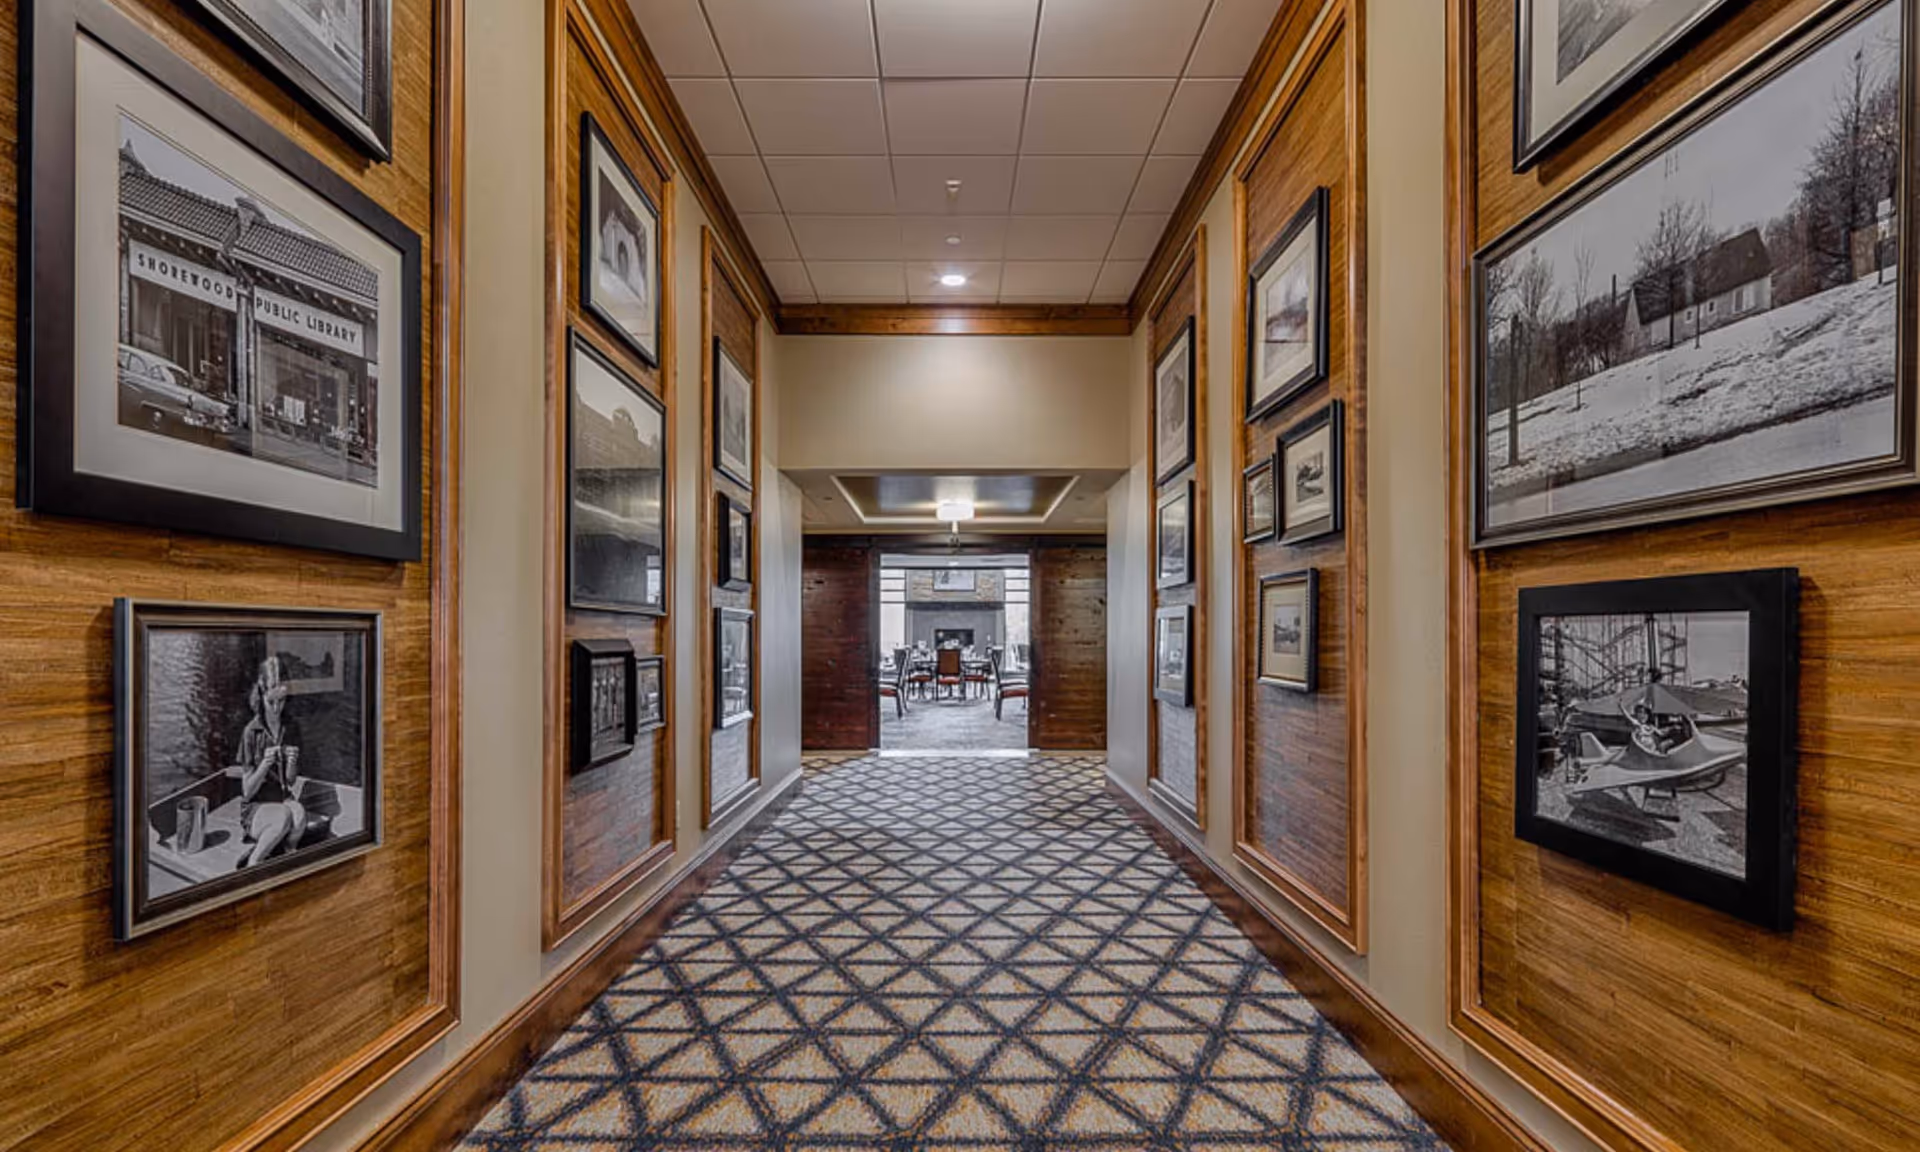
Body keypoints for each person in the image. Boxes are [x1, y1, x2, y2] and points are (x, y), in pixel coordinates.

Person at [232, 656, 308, 870]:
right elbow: (247, 791)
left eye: (282, 701)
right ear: (261, 695)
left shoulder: (291, 727)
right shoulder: (251, 732)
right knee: (283, 816)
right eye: (271, 701)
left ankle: (287, 856)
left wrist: (292, 763)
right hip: (256, 808)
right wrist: (265, 764)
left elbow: (291, 780)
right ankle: (253, 863)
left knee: (300, 815)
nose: (276, 709)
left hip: (282, 797)